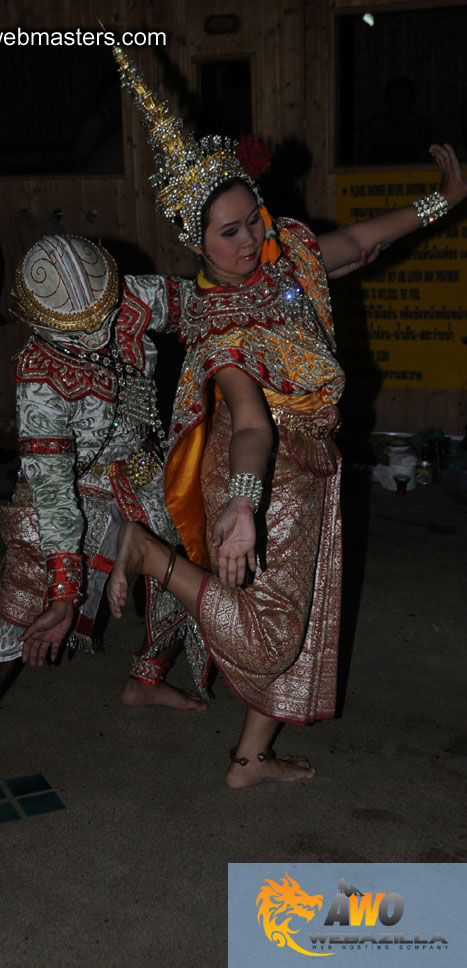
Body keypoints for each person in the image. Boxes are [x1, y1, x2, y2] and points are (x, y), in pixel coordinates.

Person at [107, 46, 467, 788]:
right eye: (227, 234)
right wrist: (242, 509)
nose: (247, 243)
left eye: (251, 220)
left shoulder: (286, 254)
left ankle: (249, 759)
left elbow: (362, 240)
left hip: (309, 462)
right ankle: (152, 557)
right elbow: (248, 424)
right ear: (194, 241)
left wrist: (443, 200)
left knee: (299, 610)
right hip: (260, 472)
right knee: (271, 634)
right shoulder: (219, 321)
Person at [0, 235, 208, 799]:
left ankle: (145, 681)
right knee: (21, 601)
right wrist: (64, 592)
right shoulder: (38, 379)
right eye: (76, 329)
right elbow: (53, 491)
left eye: (102, 318)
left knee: (179, 570)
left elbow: (212, 301)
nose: (95, 335)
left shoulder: (132, 298)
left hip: (141, 470)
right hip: (71, 487)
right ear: (39, 322)